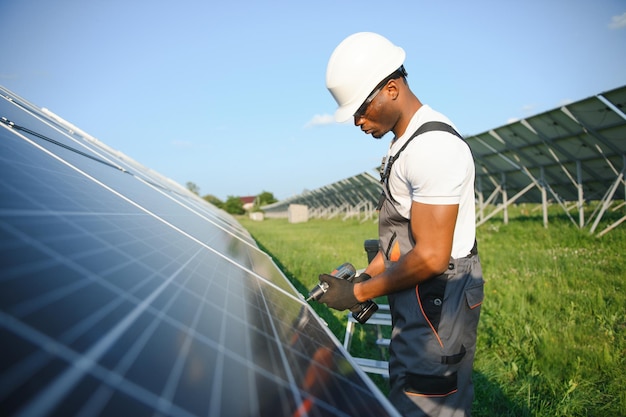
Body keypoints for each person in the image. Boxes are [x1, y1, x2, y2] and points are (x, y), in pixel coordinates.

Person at [317, 32, 485, 417]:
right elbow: (402, 240)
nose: (357, 121)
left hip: (438, 302)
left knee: (427, 402)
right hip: (421, 298)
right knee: (408, 391)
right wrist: (363, 277)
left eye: (361, 109)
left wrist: (358, 296)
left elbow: (429, 257)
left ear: (391, 89)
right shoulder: (403, 143)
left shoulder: (433, 149)